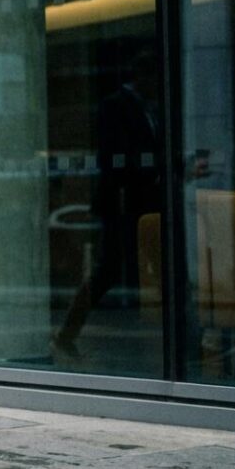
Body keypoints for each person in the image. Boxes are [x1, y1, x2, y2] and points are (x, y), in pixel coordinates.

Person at [53, 53, 162, 357]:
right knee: (107, 271)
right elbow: (115, 159)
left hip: (146, 205)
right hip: (124, 203)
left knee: (154, 269)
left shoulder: (150, 109)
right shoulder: (115, 106)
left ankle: (186, 341)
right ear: (142, 77)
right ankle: (67, 332)